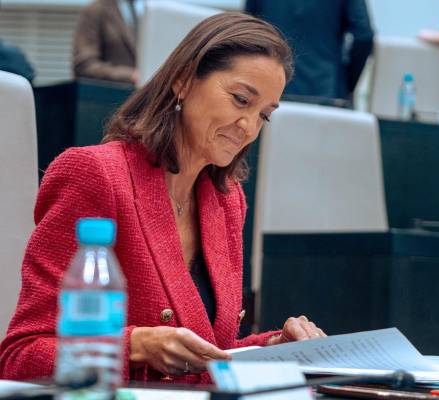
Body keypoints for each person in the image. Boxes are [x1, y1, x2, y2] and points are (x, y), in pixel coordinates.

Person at [0, 12, 325, 383]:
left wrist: (274, 348)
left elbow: (205, 349)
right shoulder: (94, 175)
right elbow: (22, 356)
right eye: (239, 100)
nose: (249, 127)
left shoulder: (227, 200)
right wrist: (136, 344)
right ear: (183, 80)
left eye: (264, 115)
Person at [245, 0, 374, 104]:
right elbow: (364, 36)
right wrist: (347, 83)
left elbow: (249, 29)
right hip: (327, 90)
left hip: (271, 87)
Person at [73, 0, 143, 85]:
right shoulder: (95, 10)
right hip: (110, 94)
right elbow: (84, 66)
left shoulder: (147, 10)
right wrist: (130, 75)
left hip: (145, 94)